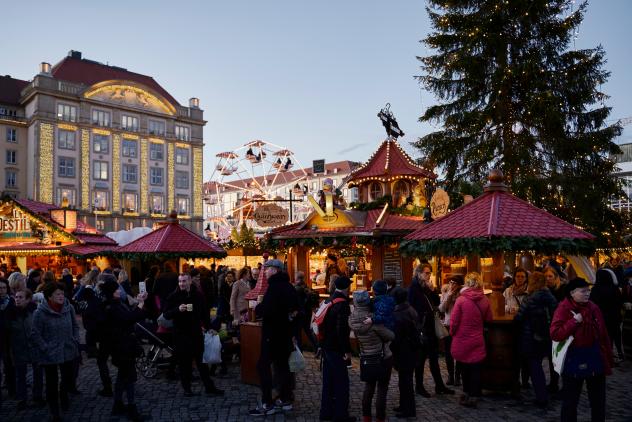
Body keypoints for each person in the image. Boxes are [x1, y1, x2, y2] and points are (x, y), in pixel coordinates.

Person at [550, 277, 613, 422]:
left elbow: (603, 334)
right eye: (583, 291)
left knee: (598, 402)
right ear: (572, 293)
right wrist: (573, 322)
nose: (587, 294)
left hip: (594, 358)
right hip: (573, 359)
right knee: (570, 403)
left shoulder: (593, 308)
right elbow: (555, 333)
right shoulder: (563, 308)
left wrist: (608, 359)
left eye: (588, 290)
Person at [249, 260, 298, 417]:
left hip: (273, 336)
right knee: (282, 367)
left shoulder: (275, 288)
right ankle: (285, 400)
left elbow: (266, 310)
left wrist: (257, 306)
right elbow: (296, 310)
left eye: (267, 269)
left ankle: (267, 403)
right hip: (285, 336)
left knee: (263, 367)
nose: (265, 272)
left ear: (275, 270)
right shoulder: (289, 287)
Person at [164, 273, 223, 397]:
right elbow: (166, 314)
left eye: (184, 281)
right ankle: (187, 389)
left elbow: (204, 314)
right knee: (184, 364)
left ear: (190, 281)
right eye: (180, 281)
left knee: (202, 362)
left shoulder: (198, 295)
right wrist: (177, 310)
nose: (182, 284)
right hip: (181, 335)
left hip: (195, 333)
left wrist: (209, 328)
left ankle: (209, 387)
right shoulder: (173, 296)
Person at [31, 282, 80, 422]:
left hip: (68, 349)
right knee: (51, 382)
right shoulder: (40, 313)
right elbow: (35, 334)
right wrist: (44, 347)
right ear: (49, 296)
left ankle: (63, 396)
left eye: (62, 294)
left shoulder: (68, 308)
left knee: (67, 378)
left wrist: (75, 339)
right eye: (58, 294)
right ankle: (54, 411)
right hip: (50, 352)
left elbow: (75, 326)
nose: (61, 297)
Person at [100, 279, 147, 421]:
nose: (119, 291)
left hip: (124, 345)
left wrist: (139, 303)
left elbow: (128, 316)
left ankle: (118, 404)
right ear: (111, 293)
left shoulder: (115, 304)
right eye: (116, 290)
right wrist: (140, 304)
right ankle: (131, 407)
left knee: (122, 376)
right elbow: (128, 318)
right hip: (122, 347)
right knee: (129, 377)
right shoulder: (111, 307)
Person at [408, 263, 453, 397]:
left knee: (434, 358)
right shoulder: (413, 288)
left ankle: (439, 386)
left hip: (430, 327)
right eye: (427, 273)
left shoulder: (426, 287)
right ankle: (419, 387)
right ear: (419, 273)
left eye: (429, 273)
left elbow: (436, 304)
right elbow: (411, 308)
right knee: (420, 360)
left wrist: (433, 290)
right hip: (421, 328)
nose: (429, 275)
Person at [349, 290, 394, 422]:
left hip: (366, 357)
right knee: (382, 388)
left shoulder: (352, 320)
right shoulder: (372, 319)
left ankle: (366, 416)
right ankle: (380, 417)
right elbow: (391, 336)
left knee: (369, 387)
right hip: (382, 357)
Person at [514, 271, 557, 408]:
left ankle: (541, 397)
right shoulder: (550, 297)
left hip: (531, 337)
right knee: (539, 364)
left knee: (535, 366)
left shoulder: (530, 298)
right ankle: (544, 392)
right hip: (547, 336)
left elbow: (519, 318)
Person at [450, 272, 492, 408]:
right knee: (475, 368)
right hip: (477, 338)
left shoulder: (461, 300)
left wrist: (452, 333)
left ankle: (466, 392)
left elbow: (454, 321)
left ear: (467, 283)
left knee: (464, 367)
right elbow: (489, 319)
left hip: (462, 339)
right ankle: (474, 395)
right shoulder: (485, 300)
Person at [319, 276, 354, 422]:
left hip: (326, 346)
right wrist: (346, 351)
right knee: (341, 383)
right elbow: (342, 330)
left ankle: (326, 413)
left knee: (328, 382)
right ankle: (341, 415)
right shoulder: (343, 304)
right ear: (346, 288)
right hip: (336, 348)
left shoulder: (329, 300)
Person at [6, 289, 44, 410]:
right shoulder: (10, 313)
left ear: (28, 299)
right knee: (20, 376)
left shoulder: (35, 312)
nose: (17, 299)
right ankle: (22, 399)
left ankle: (37, 396)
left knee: (38, 374)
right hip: (18, 348)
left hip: (34, 347)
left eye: (21, 297)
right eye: (16, 297)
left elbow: (41, 329)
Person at [390, 287, 421, 418]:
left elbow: (396, 337)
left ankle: (408, 410)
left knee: (406, 382)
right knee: (405, 380)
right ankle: (404, 406)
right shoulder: (409, 309)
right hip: (411, 350)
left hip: (404, 352)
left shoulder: (399, 314)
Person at [590, 268, 624, 362]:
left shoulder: (595, 290)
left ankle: (607, 355)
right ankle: (619, 353)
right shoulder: (614, 289)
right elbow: (619, 302)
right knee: (616, 335)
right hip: (614, 316)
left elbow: (592, 304)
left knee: (605, 336)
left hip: (601, 318)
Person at [505, 267, 530, 391]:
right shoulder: (508, 291)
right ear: (514, 277)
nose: (519, 279)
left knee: (525, 355)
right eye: (518, 276)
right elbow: (503, 304)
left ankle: (525, 380)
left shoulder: (529, 292)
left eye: (522, 277)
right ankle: (515, 380)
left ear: (526, 278)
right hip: (512, 325)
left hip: (524, 326)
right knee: (514, 354)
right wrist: (508, 309)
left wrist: (519, 310)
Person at [439, 274, 464, 386]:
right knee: (448, 352)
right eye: (450, 282)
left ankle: (458, 376)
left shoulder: (462, 295)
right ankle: (451, 376)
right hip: (448, 325)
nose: (452, 285)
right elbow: (442, 309)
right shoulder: (445, 292)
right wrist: (448, 296)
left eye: (454, 283)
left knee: (458, 352)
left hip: (459, 326)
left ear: (459, 285)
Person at [293, 271, 319, 351]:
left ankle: (300, 351)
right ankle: (317, 347)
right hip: (307, 312)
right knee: (307, 331)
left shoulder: (296, 289)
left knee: (298, 333)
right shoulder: (307, 287)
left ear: (296, 278)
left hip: (299, 313)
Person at [0, 278, 16, 399]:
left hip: (10, 338)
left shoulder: (12, 301)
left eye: (4, 288)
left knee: (9, 364)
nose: (1, 290)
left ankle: (12, 389)